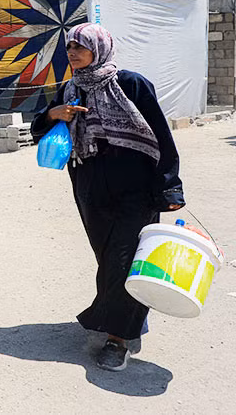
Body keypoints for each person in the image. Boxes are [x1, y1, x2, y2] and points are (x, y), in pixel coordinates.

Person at [31, 23, 184, 372]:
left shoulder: (131, 84)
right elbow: (38, 129)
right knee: (107, 261)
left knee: (123, 261)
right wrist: (54, 114)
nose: (72, 53)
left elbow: (161, 138)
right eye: (69, 47)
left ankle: (119, 339)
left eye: (80, 47)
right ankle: (126, 315)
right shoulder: (70, 88)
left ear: (99, 49)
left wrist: (170, 187)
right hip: (89, 190)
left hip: (136, 193)